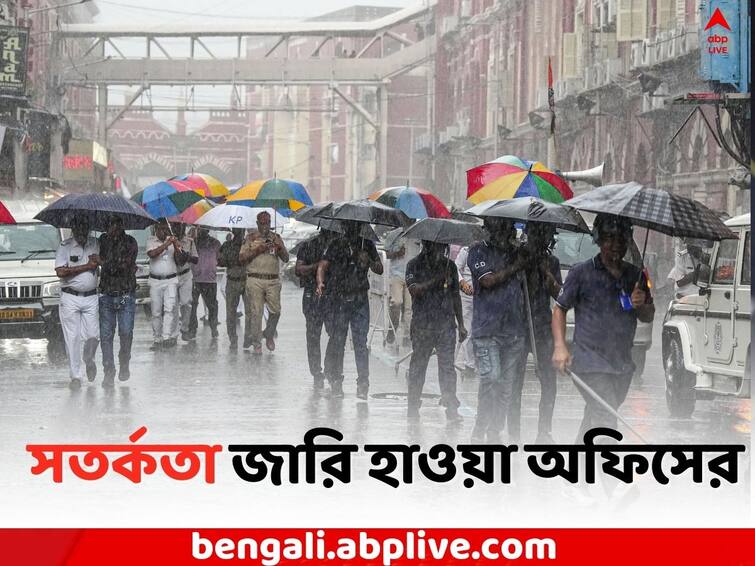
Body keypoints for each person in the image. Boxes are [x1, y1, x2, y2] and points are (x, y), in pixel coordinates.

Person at [552, 214, 655, 441]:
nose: (615, 245)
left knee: (597, 415)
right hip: (590, 362)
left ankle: (578, 467)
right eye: (609, 238)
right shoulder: (581, 273)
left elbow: (648, 316)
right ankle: (612, 476)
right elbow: (559, 309)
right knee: (606, 422)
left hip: (621, 364)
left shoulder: (635, 276)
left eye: (620, 239)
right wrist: (560, 346)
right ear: (598, 239)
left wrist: (641, 303)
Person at [467, 217, 528, 443]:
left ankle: (494, 431)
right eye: (503, 227)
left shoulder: (516, 253)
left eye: (510, 227)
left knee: (505, 387)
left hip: (513, 331)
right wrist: (515, 267)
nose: (507, 232)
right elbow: (488, 281)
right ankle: (479, 427)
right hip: (487, 329)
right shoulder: (477, 252)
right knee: (491, 379)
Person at [508, 223, 562, 444]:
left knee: (549, 381)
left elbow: (559, 293)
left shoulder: (552, 262)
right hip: (518, 326)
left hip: (542, 326)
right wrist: (521, 267)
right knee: (515, 382)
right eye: (537, 234)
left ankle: (544, 431)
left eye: (546, 235)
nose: (541, 240)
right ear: (528, 235)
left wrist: (547, 275)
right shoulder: (516, 258)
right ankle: (513, 431)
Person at [316, 220, 383, 399]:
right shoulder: (336, 244)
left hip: (360, 298)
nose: (350, 230)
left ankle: (363, 383)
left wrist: (368, 260)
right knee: (338, 340)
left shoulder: (366, 244)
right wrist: (320, 281)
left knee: (360, 342)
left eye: (354, 226)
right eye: (348, 226)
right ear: (343, 227)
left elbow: (380, 268)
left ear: (360, 228)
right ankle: (336, 381)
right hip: (340, 298)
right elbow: (323, 264)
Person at [405, 240, 467, 421]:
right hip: (422, 325)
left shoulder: (450, 266)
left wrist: (461, 323)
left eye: (441, 246)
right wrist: (436, 280)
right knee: (418, 366)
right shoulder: (414, 265)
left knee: (447, 368)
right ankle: (413, 404)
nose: (438, 250)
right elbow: (414, 291)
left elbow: (455, 295)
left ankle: (451, 407)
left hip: (445, 324)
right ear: (426, 245)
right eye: (435, 246)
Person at [55, 217, 100, 389]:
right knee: (72, 338)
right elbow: (60, 271)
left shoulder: (95, 243)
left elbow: (103, 263)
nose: (82, 232)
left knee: (93, 336)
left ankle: (89, 359)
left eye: (84, 229)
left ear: (88, 229)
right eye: (78, 229)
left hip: (91, 297)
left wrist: (100, 261)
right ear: (73, 230)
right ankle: (75, 376)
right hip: (70, 297)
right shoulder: (64, 247)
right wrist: (87, 266)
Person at [239, 211, 288, 354]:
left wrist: (279, 248)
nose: (265, 226)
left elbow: (285, 258)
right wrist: (258, 249)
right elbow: (241, 259)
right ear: (257, 224)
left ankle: (269, 333)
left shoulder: (276, 237)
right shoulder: (250, 238)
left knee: (276, 311)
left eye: (267, 223)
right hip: (255, 279)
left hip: (272, 279)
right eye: (262, 223)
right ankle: (256, 343)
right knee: (256, 312)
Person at [97, 215, 138, 387]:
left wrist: (103, 262)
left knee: (126, 332)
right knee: (106, 336)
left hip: (125, 293)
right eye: (108, 226)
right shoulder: (102, 241)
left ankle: (124, 361)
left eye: (114, 225)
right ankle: (108, 370)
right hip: (106, 293)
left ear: (121, 226)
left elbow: (124, 266)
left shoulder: (130, 242)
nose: (111, 229)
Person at [295, 228, 335, 390]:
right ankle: (317, 372)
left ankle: (330, 367)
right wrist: (316, 267)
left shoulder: (339, 247)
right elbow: (298, 270)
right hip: (312, 295)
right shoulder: (309, 245)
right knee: (313, 334)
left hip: (333, 296)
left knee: (336, 334)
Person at [146, 221, 182, 350]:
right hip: (155, 281)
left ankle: (167, 337)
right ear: (156, 228)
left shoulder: (172, 240)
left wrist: (177, 246)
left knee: (169, 309)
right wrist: (167, 244)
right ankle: (157, 338)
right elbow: (152, 254)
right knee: (156, 311)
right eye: (160, 228)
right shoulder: (151, 240)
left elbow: (180, 260)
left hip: (171, 280)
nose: (163, 231)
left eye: (165, 228)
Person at [384, 235, 419, 345]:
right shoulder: (394, 234)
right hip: (396, 275)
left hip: (411, 276)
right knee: (397, 302)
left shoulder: (417, 236)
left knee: (409, 308)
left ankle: (407, 337)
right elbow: (386, 254)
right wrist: (397, 253)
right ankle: (392, 329)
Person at [218, 228, 250, 350]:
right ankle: (233, 339)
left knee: (250, 312)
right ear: (233, 231)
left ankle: (248, 337)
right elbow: (221, 261)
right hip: (232, 280)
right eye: (237, 230)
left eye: (241, 230)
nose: (239, 232)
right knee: (231, 313)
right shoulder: (227, 245)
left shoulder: (248, 244)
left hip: (246, 279)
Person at [188, 228, 221, 340]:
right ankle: (192, 329)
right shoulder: (193, 242)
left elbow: (219, 258)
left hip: (210, 279)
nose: (202, 231)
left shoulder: (216, 243)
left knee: (212, 306)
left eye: (204, 229)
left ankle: (213, 327)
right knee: (192, 306)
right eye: (200, 228)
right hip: (195, 279)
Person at [452, 244, 476, 378]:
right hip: (466, 296)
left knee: (475, 332)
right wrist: (462, 283)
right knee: (464, 330)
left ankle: (472, 364)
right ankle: (467, 364)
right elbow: (456, 267)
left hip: (482, 297)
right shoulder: (466, 250)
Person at [173, 223, 198, 342]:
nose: (178, 229)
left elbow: (196, 259)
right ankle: (172, 333)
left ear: (184, 228)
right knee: (172, 305)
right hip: (172, 275)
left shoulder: (190, 241)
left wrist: (185, 255)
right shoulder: (169, 241)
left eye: (180, 227)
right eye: (175, 226)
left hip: (186, 274)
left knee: (186, 302)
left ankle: (185, 328)